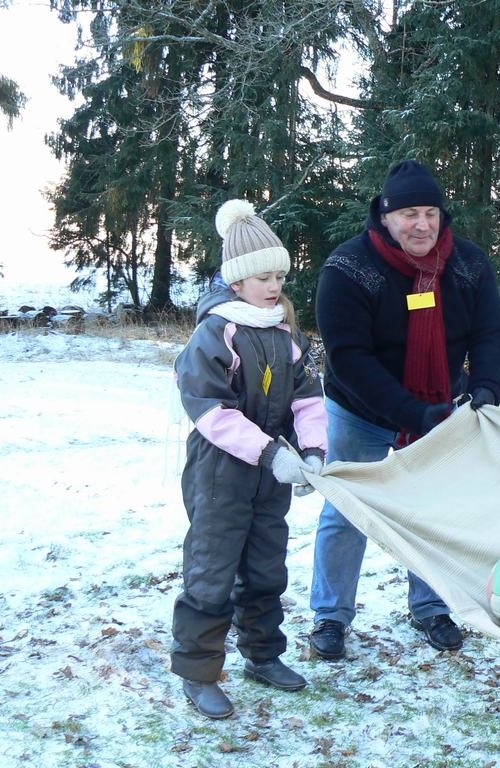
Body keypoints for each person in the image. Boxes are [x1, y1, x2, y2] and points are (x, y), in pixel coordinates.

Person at [309, 159, 500, 659]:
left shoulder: (467, 264)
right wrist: (408, 411)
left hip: (441, 406)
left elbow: (491, 332)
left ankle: (431, 607)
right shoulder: (348, 268)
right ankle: (331, 617)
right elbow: (348, 357)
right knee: (347, 510)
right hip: (361, 409)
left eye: (430, 213)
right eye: (407, 214)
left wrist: (486, 387)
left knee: (435, 510)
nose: (421, 224)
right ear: (384, 216)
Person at [172, 200, 329, 719]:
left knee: (265, 568)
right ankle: (198, 673)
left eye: (279, 275)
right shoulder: (216, 332)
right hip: (221, 474)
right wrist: (267, 452)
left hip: (271, 476)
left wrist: (311, 450)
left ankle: (263, 656)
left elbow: (308, 398)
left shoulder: (285, 334)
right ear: (236, 280)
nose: (273, 285)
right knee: (212, 571)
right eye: (262, 276)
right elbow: (210, 410)